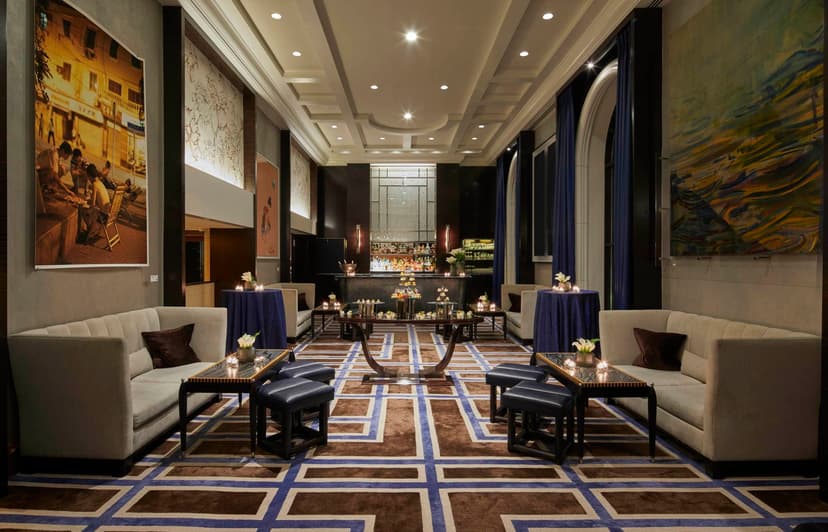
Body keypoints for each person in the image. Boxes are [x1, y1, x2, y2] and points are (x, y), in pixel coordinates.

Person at [80, 164, 111, 243]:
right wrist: (88, 201)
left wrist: (84, 203)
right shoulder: (100, 183)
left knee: (83, 210)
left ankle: (90, 230)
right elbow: (97, 201)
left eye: (87, 176)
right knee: (88, 209)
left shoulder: (94, 185)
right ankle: (90, 230)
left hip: (102, 216)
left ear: (89, 175)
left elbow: (93, 205)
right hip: (108, 214)